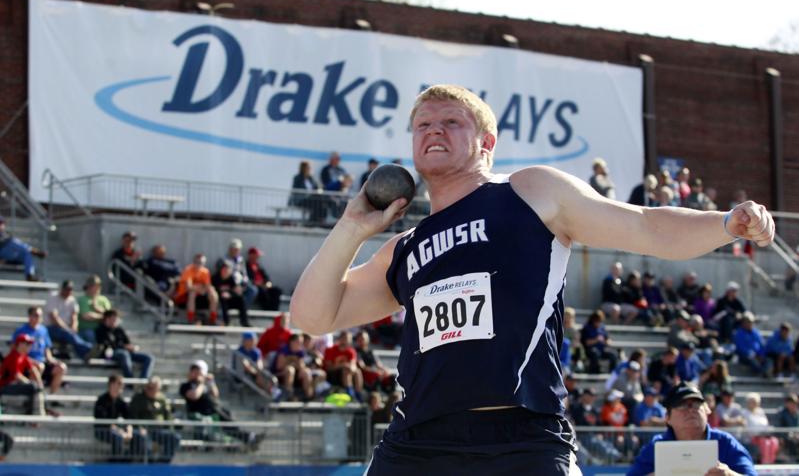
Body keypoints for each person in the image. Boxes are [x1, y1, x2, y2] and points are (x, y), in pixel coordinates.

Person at [289, 84, 774, 475]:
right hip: (417, 443)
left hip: (520, 439)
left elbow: (645, 224)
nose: (433, 130)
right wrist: (352, 227)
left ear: (487, 142)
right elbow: (312, 316)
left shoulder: (531, 193)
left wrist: (725, 223)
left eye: (450, 122)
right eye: (422, 125)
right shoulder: (407, 247)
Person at [627, 382, 756, 476]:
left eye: (696, 404)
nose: (690, 410)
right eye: (681, 405)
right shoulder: (656, 447)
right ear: (667, 417)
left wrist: (729, 475)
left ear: (707, 410)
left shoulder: (726, 443)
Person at [179, 360, 260, 446]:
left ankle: (248, 437)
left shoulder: (203, 384)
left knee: (228, 422)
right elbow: (194, 396)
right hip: (202, 412)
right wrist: (202, 383)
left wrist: (211, 382)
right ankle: (249, 437)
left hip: (214, 410)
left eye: (198, 371)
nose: (196, 373)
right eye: (194, 371)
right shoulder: (185, 386)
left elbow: (215, 394)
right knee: (227, 425)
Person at [12, 306, 67, 395]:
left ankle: (49, 396)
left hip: (42, 361)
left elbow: (46, 348)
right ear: (30, 316)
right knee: (39, 366)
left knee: (61, 367)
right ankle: (31, 395)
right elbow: (15, 351)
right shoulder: (21, 331)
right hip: (26, 363)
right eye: (36, 315)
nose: (38, 318)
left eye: (40, 316)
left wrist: (52, 360)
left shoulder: (43, 330)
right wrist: (29, 360)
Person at [128, 376, 181, 463]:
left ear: (158, 389)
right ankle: (150, 466)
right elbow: (133, 415)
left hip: (159, 430)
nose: (150, 390)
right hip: (144, 430)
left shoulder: (162, 399)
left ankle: (162, 464)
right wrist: (139, 427)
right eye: (149, 387)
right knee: (145, 443)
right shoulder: (138, 398)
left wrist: (170, 427)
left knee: (175, 437)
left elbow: (168, 415)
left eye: (153, 388)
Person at [94, 374, 145, 462]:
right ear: (112, 384)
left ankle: (128, 462)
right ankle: (114, 464)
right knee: (118, 437)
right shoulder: (101, 400)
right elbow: (103, 421)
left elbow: (128, 416)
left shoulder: (120, 401)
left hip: (115, 430)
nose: (122, 386)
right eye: (119, 383)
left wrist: (129, 430)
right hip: (103, 430)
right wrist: (121, 432)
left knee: (138, 436)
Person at [95, 310, 155, 379]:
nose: (116, 321)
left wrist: (132, 347)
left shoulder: (119, 330)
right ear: (107, 319)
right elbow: (105, 345)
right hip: (111, 353)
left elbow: (127, 342)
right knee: (124, 354)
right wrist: (123, 347)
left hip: (125, 351)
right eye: (114, 319)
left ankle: (143, 380)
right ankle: (130, 380)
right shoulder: (100, 330)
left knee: (149, 358)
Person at [44, 280, 93, 359]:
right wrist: (67, 329)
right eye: (66, 289)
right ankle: (88, 349)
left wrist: (74, 327)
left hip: (67, 329)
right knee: (69, 334)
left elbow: (74, 317)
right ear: (62, 289)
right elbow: (54, 318)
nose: (68, 292)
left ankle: (85, 353)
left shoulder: (72, 300)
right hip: (52, 328)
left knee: (82, 333)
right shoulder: (53, 297)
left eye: (70, 290)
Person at [0, 333, 46, 415]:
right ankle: (35, 414)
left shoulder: (23, 356)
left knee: (36, 387)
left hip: (13, 384)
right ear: (20, 344)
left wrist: (40, 384)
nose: (30, 346)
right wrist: (30, 383)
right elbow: (17, 376)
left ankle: (38, 412)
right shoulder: (13, 356)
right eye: (27, 344)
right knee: (32, 387)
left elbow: (34, 369)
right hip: (4, 386)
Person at [174, 253, 218, 325]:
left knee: (213, 293)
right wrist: (201, 288)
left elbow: (207, 286)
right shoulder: (188, 270)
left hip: (200, 296)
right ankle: (191, 319)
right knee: (192, 293)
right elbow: (189, 287)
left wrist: (203, 289)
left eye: (201, 263)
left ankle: (212, 319)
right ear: (194, 262)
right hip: (183, 297)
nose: (199, 264)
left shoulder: (205, 271)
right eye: (197, 262)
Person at [216, 239, 257, 313]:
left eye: (237, 249)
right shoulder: (223, 260)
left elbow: (244, 273)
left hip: (241, 282)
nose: (235, 251)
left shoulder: (241, 260)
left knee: (253, 290)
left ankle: (243, 309)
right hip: (230, 283)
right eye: (234, 249)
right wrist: (234, 284)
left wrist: (244, 283)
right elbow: (222, 275)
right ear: (230, 249)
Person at [0, 215, 46, 281]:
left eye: (2, 223)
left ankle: (30, 275)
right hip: (3, 255)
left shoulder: (5, 234)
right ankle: (34, 251)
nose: (2, 225)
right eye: (0, 223)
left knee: (26, 254)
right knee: (13, 243)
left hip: (10, 257)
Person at [232, 331, 276, 395]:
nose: (255, 342)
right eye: (252, 340)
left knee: (268, 377)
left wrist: (259, 372)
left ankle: (274, 392)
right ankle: (273, 393)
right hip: (241, 374)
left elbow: (259, 363)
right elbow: (245, 366)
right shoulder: (239, 351)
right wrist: (256, 373)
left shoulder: (256, 351)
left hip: (254, 372)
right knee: (260, 377)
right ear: (246, 341)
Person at [245, 246, 283, 312]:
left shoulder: (258, 266)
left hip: (264, 286)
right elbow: (248, 280)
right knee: (261, 291)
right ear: (251, 255)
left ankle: (274, 311)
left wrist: (268, 283)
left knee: (277, 290)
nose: (258, 257)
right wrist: (259, 284)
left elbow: (266, 277)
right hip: (257, 287)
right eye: (256, 255)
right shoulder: (246, 266)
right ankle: (268, 309)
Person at [76, 275, 112, 344]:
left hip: (103, 329)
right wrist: (103, 316)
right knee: (90, 335)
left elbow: (110, 315)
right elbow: (86, 316)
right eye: (94, 286)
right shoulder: (83, 300)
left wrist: (97, 308)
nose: (97, 288)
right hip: (87, 329)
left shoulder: (104, 299)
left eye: (98, 286)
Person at [212, 260, 248, 327]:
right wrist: (221, 294)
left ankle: (244, 322)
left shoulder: (232, 279)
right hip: (219, 301)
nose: (226, 271)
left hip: (230, 299)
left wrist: (230, 294)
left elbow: (237, 290)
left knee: (241, 299)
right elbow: (213, 290)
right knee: (223, 299)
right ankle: (226, 322)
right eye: (224, 268)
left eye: (228, 269)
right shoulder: (215, 278)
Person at [581, 309, 618, 374]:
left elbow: (608, 339)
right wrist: (596, 340)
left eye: (600, 321)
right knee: (595, 353)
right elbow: (586, 343)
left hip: (602, 350)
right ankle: (594, 372)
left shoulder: (602, 327)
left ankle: (612, 373)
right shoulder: (586, 327)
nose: (598, 323)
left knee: (613, 354)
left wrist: (607, 342)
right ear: (592, 320)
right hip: (589, 350)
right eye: (596, 321)